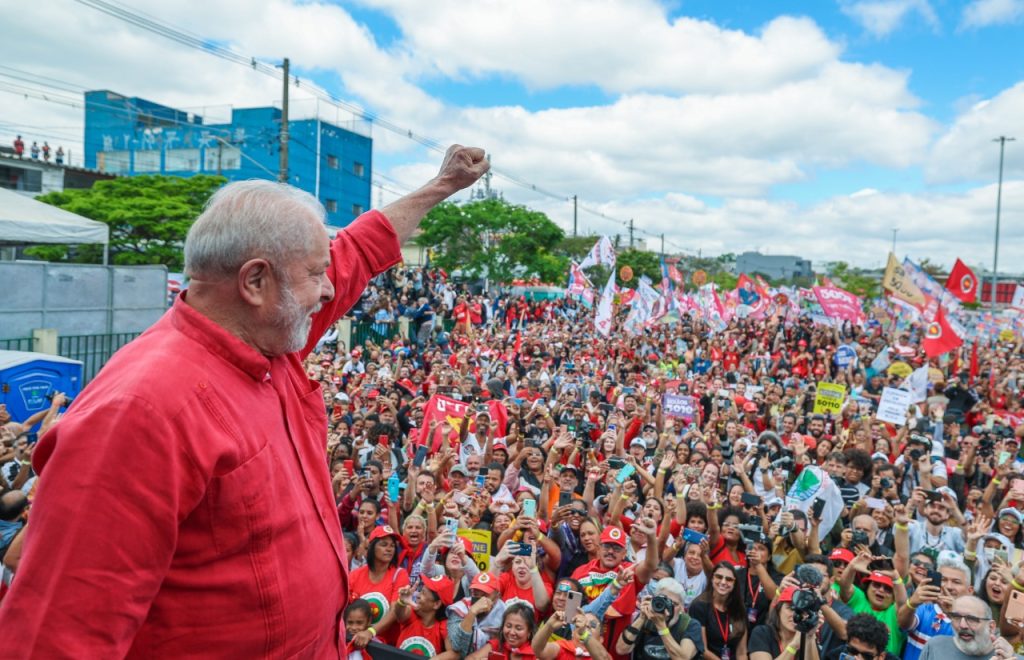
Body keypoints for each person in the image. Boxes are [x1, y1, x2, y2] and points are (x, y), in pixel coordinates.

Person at [0, 144, 489, 656]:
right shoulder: (141, 412)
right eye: (315, 273)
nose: (329, 290)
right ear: (255, 281)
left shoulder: (266, 336)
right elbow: (56, 636)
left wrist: (443, 185)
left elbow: (358, 253)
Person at [616, 577, 704, 660]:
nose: (668, 608)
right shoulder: (647, 619)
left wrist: (661, 626)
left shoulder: (690, 625)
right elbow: (621, 649)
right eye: (664, 602)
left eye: (674, 604)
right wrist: (642, 617)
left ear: (682, 607)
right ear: (654, 600)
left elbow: (682, 658)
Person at [919, 596, 1017, 660]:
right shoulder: (935, 647)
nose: (962, 625)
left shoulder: (1009, 657)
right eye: (956, 617)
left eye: (972, 619)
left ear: (991, 627)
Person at [824, 613, 897, 660]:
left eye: (867, 656)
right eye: (853, 651)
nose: (858, 659)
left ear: (881, 657)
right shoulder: (834, 656)